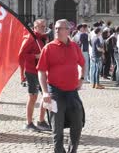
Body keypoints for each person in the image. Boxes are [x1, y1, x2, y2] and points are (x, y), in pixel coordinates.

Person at [37, 19, 85, 153]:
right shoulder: (49, 48)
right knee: (57, 130)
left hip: (72, 92)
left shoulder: (74, 46)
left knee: (77, 124)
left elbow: (82, 63)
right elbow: (41, 71)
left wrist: (81, 77)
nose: (57, 31)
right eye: (55, 28)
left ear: (68, 30)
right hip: (55, 92)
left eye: (60, 28)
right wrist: (45, 92)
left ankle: (72, 150)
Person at [19, 19, 49, 131]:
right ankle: (29, 122)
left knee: (46, 95)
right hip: (31, 71)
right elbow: (21, 55)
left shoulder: (43, 39)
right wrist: (35, 56)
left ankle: (41, 120)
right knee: (33, 97)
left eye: (44, 26)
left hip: (43, 71)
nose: (43, 28)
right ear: (35, 27)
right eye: (41, 26)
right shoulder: (30, 38)